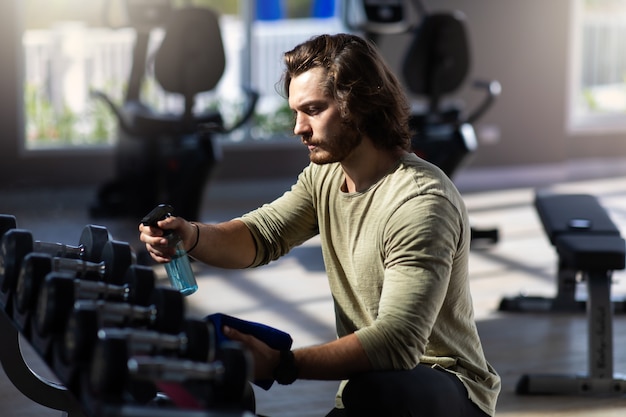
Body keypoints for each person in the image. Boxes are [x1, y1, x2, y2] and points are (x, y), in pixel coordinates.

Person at [139, 33, 500, 417]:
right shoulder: (325, 177)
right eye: (296, 112)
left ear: (359, 106)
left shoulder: (420, 202)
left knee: (373, 391)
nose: (299, 127)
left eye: (312, 109)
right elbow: (260, 236)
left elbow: (398, 343)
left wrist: (282, 364)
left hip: (446, 390)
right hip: (375, 388)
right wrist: (191, 235)